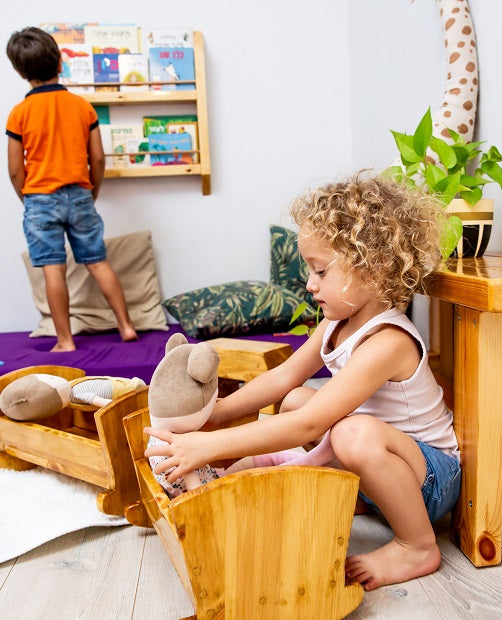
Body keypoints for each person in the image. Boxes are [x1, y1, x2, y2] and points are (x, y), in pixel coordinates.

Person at [145, 173, 461, 591]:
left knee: (348, 431)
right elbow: (283, 377)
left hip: (431, 479)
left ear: (376, 267)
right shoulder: (336, 323)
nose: (310, 284)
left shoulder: (390, 340)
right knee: (296, 399)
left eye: (321, 271)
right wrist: (216, 415)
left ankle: (416, 544)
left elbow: (313, 427)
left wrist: (212, 445)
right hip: (380, 466)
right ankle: (367, 497)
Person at [5, 27, 137, 352]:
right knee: (97, 261)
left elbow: (13, 169)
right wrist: (92, 191)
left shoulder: (19, 113)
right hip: (79, 194)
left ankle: (65, 340)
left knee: (53, 268)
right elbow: (99, 157)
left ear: (21, 72)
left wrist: (28, 199)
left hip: (39, 199)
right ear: (60, 61)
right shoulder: (82, 107)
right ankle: (126, 325)